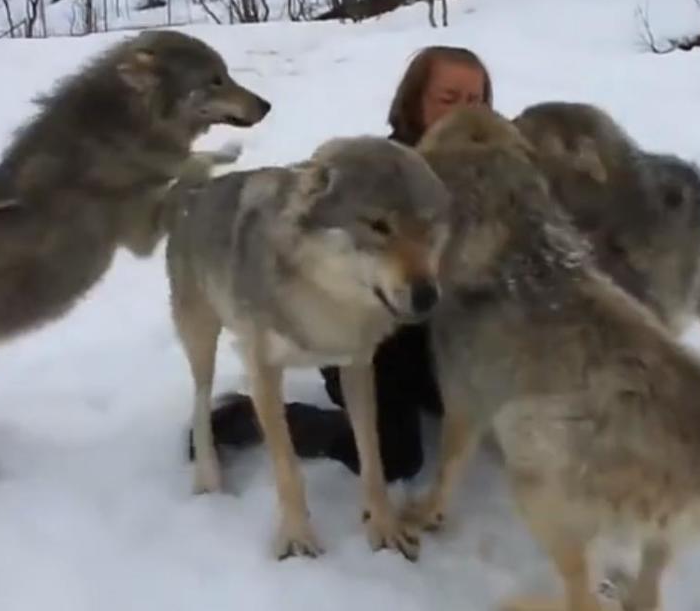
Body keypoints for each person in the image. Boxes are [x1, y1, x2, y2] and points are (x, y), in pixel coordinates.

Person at [191, 45, 493, 482]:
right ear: (414, 102)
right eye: (449, 100)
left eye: (476, 101)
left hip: (435, 327)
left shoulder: (494, 171)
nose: (466, 116)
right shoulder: (379, 173)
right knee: (396, 458)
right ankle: (264, 418)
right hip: (361, 335)